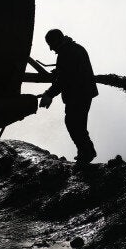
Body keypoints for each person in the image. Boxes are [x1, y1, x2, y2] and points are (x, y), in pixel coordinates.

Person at [39, 29, 98, 163]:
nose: (50, 48)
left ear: (56, 41)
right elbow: (68, 71)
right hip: (83, 93)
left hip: (78, 94)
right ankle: (86, 151)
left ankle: (86, 153)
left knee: (73, 123)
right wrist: (58, 71)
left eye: (51, 44)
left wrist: (49, 94)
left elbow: (64, 79)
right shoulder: (74, 49)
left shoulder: (67, 53)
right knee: (77, 124)